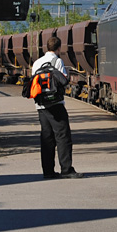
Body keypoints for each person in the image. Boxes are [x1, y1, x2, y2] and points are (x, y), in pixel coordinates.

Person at [31, 36, 83, 179]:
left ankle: (48, 171)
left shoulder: (37, 63)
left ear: (47, 47)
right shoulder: (58, 62)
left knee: (46, 138)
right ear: (59, 48)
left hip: (41, 105)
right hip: (56, 105)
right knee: (62, 137)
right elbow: (63, 81)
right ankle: (66, 169)